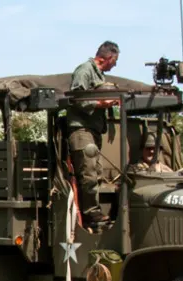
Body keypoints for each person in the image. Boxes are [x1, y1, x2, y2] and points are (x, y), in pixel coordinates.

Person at [65, 41, 121, 227]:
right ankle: (90, 214)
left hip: (92, 130)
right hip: (81, 130)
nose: (115, 64)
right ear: (108, 57)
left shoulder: (98, 74)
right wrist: (101, 104)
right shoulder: (85, 70)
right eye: (115, 60)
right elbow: (76, 97)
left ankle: (93, 212)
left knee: (96, 171)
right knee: (88, 173)